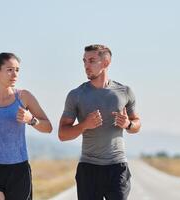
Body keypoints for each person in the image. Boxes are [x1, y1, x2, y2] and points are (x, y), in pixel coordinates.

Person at [58, 44, 141, 200]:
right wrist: (84, 125)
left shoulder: (125, 92)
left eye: (91, 61)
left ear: (106, 63)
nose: (86, 66)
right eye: (84, 61)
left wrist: (128, 125)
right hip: (88, 168)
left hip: (117, 167)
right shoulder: (76, 95)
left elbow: (136, 123)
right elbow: (62, 134)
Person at [0, 52, 52, 200]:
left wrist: (31, 119)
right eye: (10, 70)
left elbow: (48, 127)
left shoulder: (24, 97)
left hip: (18, 170)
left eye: (17, 70)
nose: (15, 74)